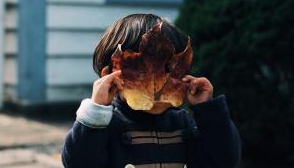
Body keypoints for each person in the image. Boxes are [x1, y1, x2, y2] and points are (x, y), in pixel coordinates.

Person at [61, 13, 241, 168]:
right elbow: (78, 163)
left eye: (169, 71)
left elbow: (223, 161)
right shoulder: (106, 125)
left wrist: (208, 111)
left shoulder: (182, 123)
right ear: (110, 76)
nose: (158, 83)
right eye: (141, 73)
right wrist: (96, 111)